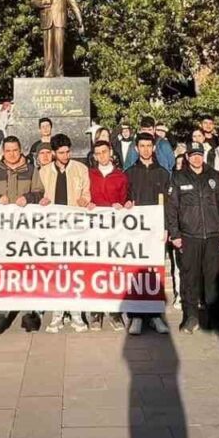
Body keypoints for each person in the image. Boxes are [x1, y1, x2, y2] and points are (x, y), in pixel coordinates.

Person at [0, 136, 44, 334]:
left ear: (21, 149)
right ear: (3, 152)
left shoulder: (31, 170)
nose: (12, 154)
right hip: (2, 232)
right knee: (3, 272)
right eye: (8, 151)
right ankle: (2, 315)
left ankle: (29, 313)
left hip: (26, 231)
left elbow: (40, 192)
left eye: (15, 150)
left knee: (26, 271)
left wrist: (30, 197)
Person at [166, 143, 219, 335]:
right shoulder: (178, 177)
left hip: (212, 235)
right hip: (189, 236)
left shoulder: (213, 176)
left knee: (213, 279)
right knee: (189, 278)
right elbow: (172, 209)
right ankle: (190, 317)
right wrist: (175, 234)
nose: (196, 158)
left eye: (199, 155)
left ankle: (214, 319)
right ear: (187, 157)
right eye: (193, 155)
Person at [39, 133, 93, 332]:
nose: (65, 155)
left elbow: (86, 193)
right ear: (53, 153)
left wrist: (84, 200)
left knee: (74, 271)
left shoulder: (80, 169)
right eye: (61, 152)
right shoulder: (44, 172)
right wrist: (41, 201)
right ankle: (57, 314)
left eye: (68, 151)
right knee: (55, 272)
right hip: (53, 228)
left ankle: (77, 314)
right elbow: (40, 195)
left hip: (74, 228)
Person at [125, 132, 173, 335]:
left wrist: (168, 227)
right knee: (135, 274)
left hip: (156, 232)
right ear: (136, 148)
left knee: (154, 274)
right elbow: (124, 199)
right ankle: (136, 316)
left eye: (148, 146)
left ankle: (154, 315)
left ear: (154, 148)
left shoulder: (163, 173)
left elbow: (170, 205)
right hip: (135, 232)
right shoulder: (128, 173)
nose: (145, 149)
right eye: (141, 146)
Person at [88, 139, 131, 331]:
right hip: (94, 229)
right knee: (95, 269)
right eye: (98, 153)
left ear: (110, 152)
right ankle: (96, 312)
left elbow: (126, 200)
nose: (101, 156)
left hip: (114, 232)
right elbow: (83, 196)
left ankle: (114, 313)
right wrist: (85, 203)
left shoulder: (121, 176)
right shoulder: (90, 174)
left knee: (113, 270)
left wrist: (124, 205)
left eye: (104, 152)